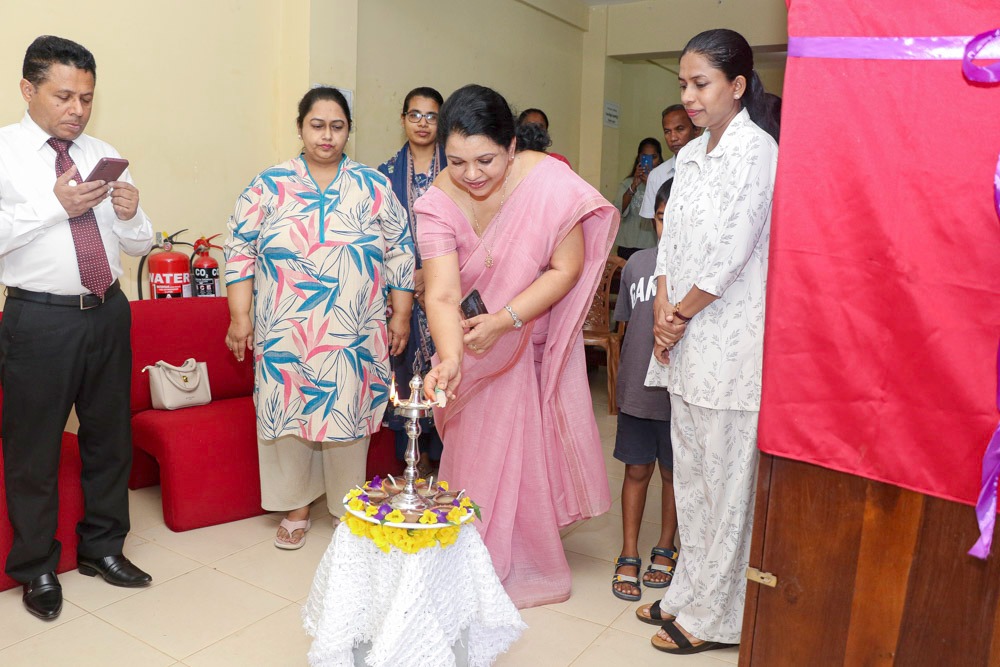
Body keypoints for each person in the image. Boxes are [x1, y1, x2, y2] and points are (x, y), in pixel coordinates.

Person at [418, 84, 618, 608]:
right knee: (473, 447)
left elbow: (566, 268)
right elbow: (441, 292)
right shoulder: (436, 202)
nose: (471, 174)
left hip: (531, 330)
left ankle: (519, 552)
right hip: (471, 340)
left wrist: (507, 320)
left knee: (525, 445)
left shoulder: (548, 181)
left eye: (485, 160)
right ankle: (473, 549)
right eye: (456, 162)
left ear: (512, 146)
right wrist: (452, 358)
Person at [0, 35, 154, 620]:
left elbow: (140, 243)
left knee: (109, 438)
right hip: (39, 319)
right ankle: (35, 566)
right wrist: (55, 206)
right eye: (64, 96)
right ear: (28, 89)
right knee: (34, 449)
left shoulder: (102, 151)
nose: (77, 110)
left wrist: (132, 215)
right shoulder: (5, 152)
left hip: (108, 312)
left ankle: (103, 548)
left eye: (86, 98)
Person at [635, 28, 778, 654]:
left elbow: (732, 251)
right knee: (691, 478)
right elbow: (671, 240)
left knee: (726, 487)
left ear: (737, 85)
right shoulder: (691, 155)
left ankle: (717, 617)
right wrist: (663, 306)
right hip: (684, 339)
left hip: (729, 344)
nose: (689, 97)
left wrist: (680, 314)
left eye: (701, 84)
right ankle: (686, 593)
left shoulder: (757, 152)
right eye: (683, 85)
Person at [224, 87, 414, 550]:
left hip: (353, 330)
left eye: (337, 126)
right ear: (300, 127)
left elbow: (401, 249)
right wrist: (239, 315)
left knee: (347, 412)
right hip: (285, 328)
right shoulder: (269, 185)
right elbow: (239, 249)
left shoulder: (372, 185)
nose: (327, 136)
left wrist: (402, 313)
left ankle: (347, 505)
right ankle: (295, 506)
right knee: (288, 412)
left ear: (349, 130)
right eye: (317, 125)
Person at [610, 180, 678, 602]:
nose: (668, 228)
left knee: (673, 474)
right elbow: (625, 328)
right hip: (637, 390)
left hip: (679, 397)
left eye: (678, 219)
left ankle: (666, 547)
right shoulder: (637, 264)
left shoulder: (702, 273)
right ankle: (629, 552)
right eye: (662, 218)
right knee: (636, 471)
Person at [377, 87, 447, 476]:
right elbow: (378, 238)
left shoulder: (457, 172)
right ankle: (409, 460)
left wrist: (431, 273)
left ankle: (444, 454)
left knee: (446, 362)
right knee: (403, 368)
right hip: (400, 290)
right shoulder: (383, 175)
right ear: (403, 119)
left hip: (447, 285)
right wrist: (407, 277)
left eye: (431, 116)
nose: (422, 123)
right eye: (415, 115)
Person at [637, 104, 700, 223]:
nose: (673, 138)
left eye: (680, 129)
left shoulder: (712, 168)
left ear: (696, 129)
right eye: (667, 131)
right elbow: (655, 221)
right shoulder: (657, 176)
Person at [614, 137, 663, 260]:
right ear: (639, 158)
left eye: (653, 157)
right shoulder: (627, 183)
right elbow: (618, 210)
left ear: (659, 159)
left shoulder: (664, 183)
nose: (649, 162)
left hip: (651, 245)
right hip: (627, 244)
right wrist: (634, 185)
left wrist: (650, 185)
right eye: (645, 157)